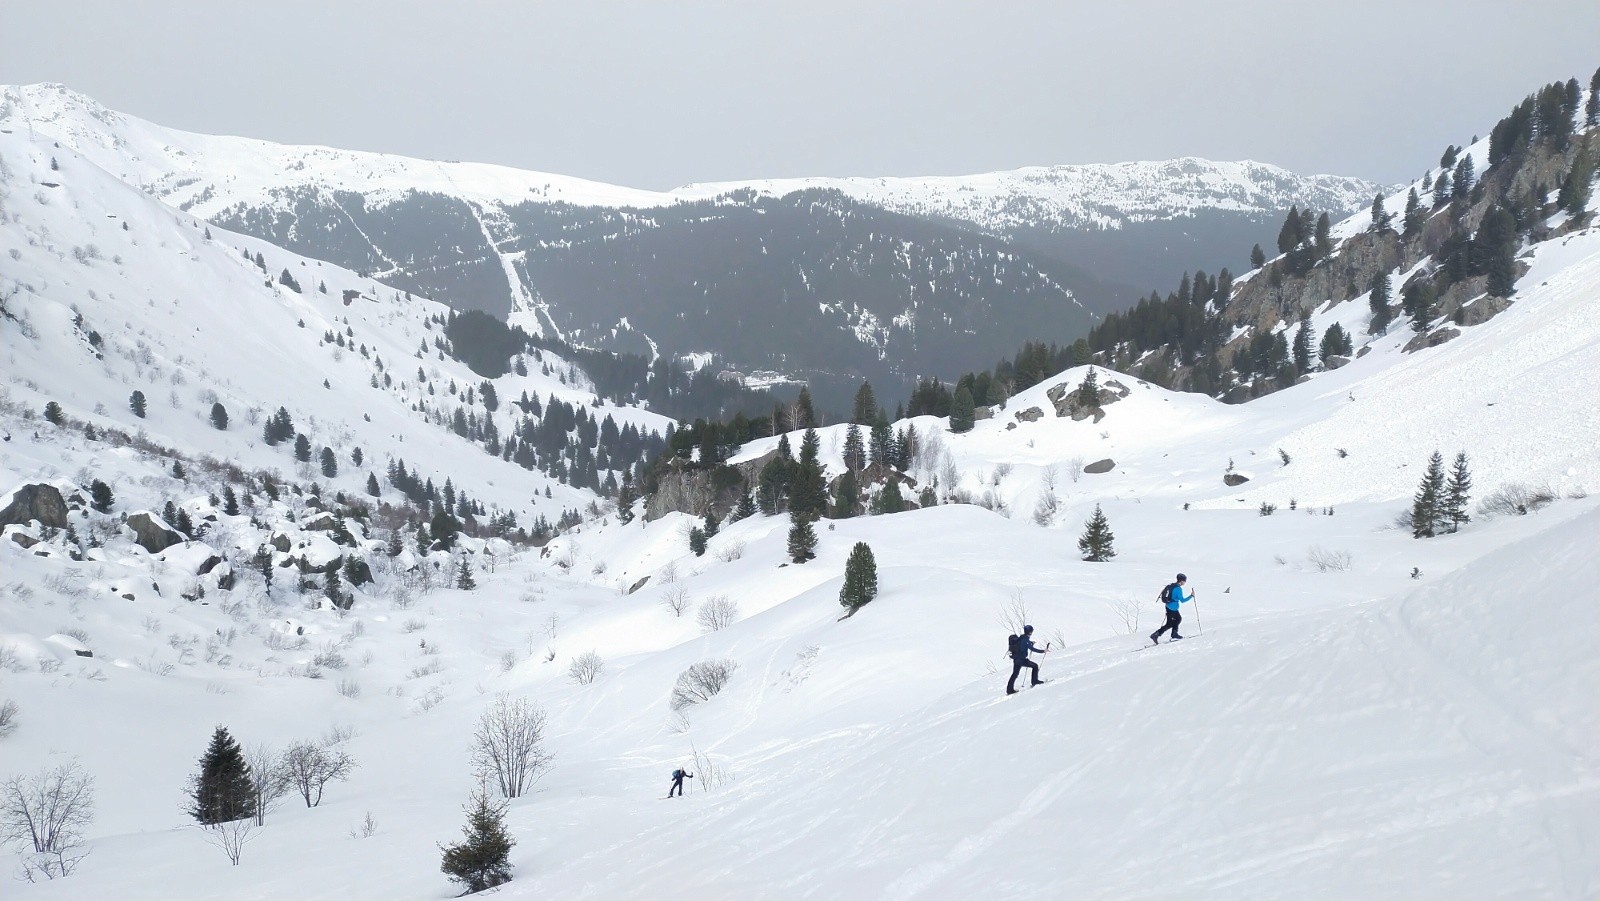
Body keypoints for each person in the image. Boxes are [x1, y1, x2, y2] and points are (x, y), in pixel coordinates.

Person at [1150, 573, 1192, 644]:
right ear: (1182, 581)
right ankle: (1156, 635)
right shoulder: (1178, 589)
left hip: (1169, 606)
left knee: (1178, 619)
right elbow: (1182, 600)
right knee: (1170, 624)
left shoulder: (1172, 585)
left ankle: (1173, 634)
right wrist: (1191, 596)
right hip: (1173, 608)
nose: (1185, 582)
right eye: (1185, 581)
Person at [1006, 625, 1048, 695]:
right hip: (1021, 660)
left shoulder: (1021, 637)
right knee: (1035, 666)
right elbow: (1032, 649)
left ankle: (1009, 690)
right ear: (1030, 632)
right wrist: (1043, 651)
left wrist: (1030, 643)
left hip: (1016, 659)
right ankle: (1034, 681)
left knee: (1015, 674)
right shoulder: (1025, 639)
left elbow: (1023, 644)